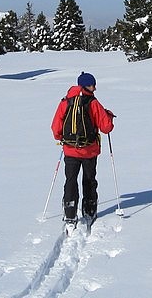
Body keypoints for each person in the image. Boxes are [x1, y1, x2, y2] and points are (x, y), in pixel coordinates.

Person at [51, 72, 115, 226]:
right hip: (90, 150)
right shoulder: (92, 102)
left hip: (70, 149)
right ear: (85, 86)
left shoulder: (66, 101)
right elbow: (106, 128)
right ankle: (89, 210)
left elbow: (55, 127)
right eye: (92, 85)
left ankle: (70, 212)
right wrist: (110, 116)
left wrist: (61, 138)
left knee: (70, 180)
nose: (94, 88)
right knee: (89, 180)